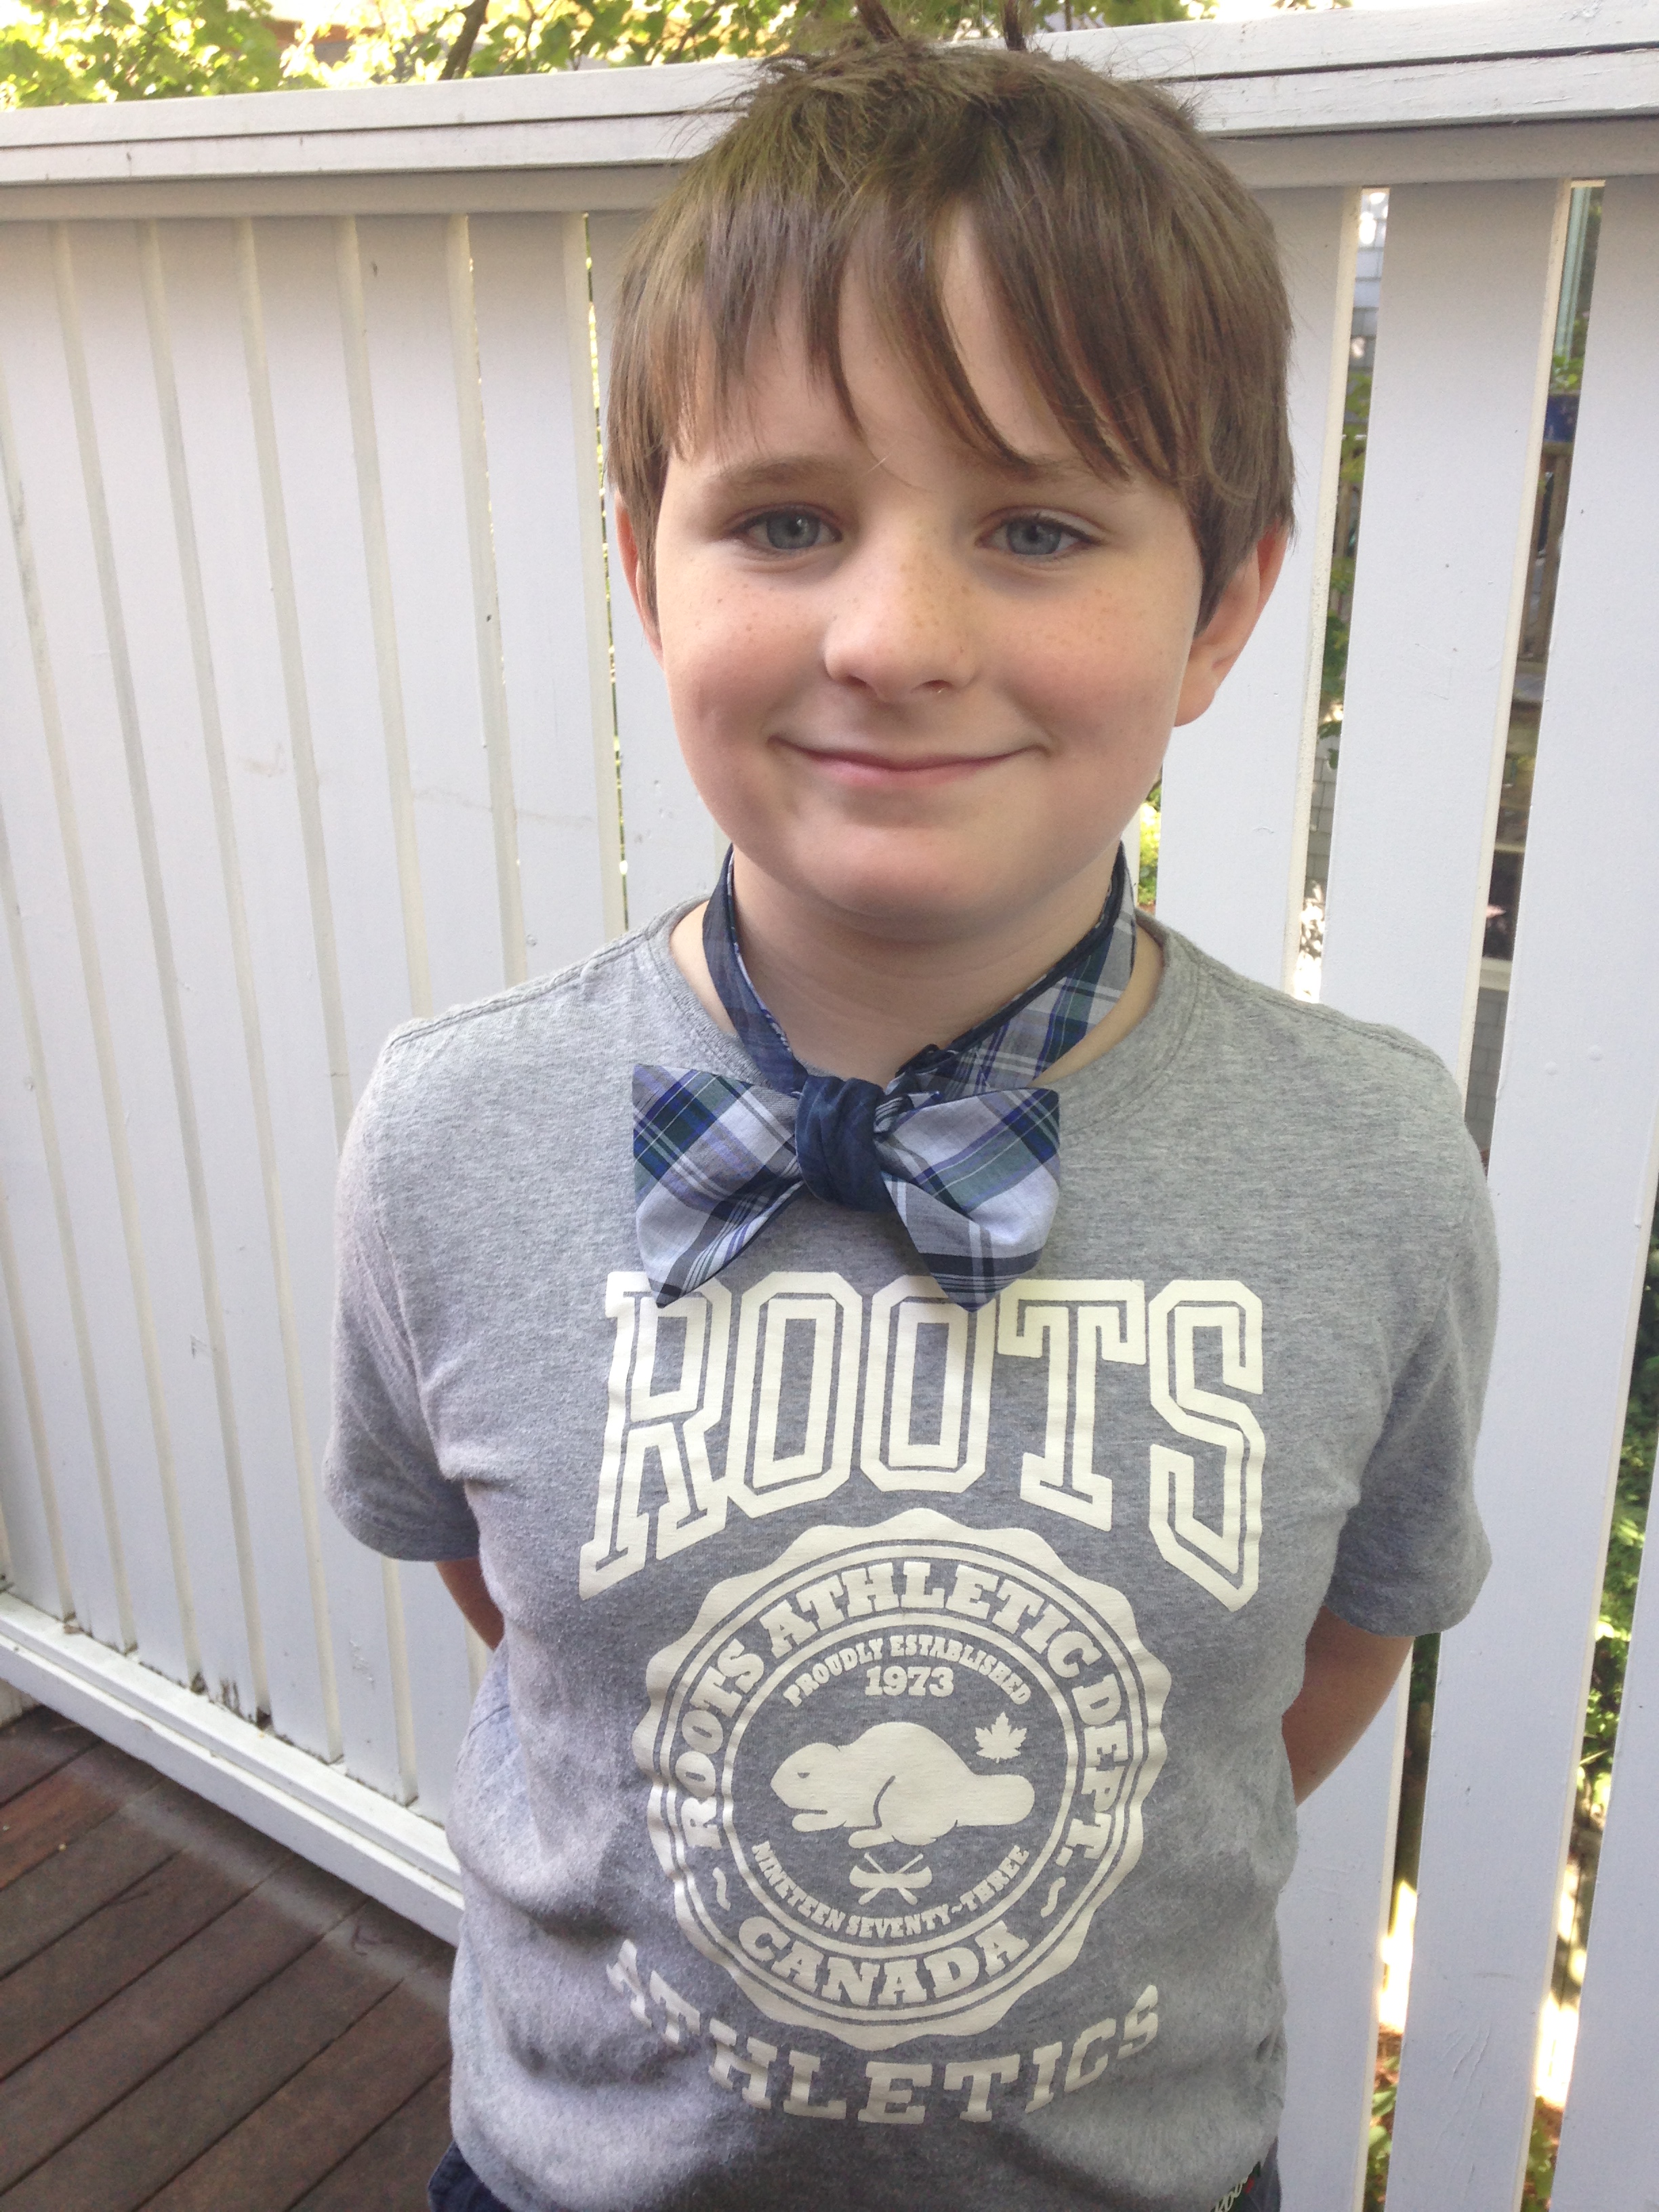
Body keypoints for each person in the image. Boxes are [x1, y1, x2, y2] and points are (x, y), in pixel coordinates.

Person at [325, 12, 1496, 2211]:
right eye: (785, 518)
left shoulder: (1370, 1164)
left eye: (1038, 526)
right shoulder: (452, 1134)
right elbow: (535, 1622)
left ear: (1225, 607)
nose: (892, 634)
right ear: (645, 568)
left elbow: (1333, 1653)